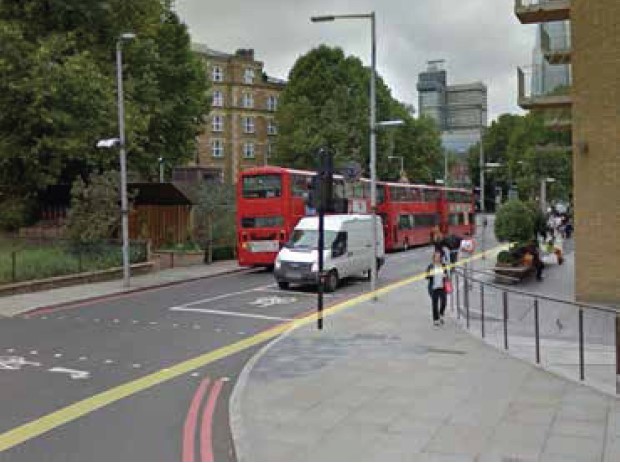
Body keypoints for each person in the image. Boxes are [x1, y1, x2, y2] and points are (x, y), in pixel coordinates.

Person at [426, 251, 449, 326]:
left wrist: (445, 276)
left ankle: (441, 314)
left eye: (439, 257)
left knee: (444, 302)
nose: (438, 258)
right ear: (434, 258)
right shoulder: (431, 266)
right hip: (434, 288)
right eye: (436, 257)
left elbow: (447, 275)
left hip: (442, 287)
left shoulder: (443, 265)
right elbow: (427, 276)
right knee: (435, 304)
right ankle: (436, 319)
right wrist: (431, 274)